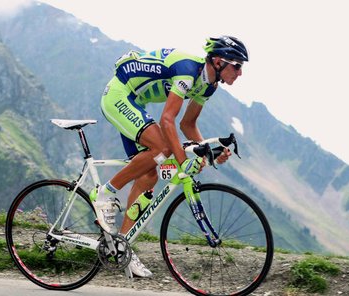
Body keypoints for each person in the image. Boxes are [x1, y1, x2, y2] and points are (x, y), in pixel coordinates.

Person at [91, 35, 249, 277]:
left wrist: (210, 150)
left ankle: (122, 247)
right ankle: (105, 192)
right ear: (218, 61)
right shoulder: (188, 70)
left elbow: (188, 124)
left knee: (148, 177)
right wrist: (183, 160)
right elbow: (167, 119)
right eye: (236, 66)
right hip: (119, 96)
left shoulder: (209, 85)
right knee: (162, 148)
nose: (239, 73)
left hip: (136, 104)